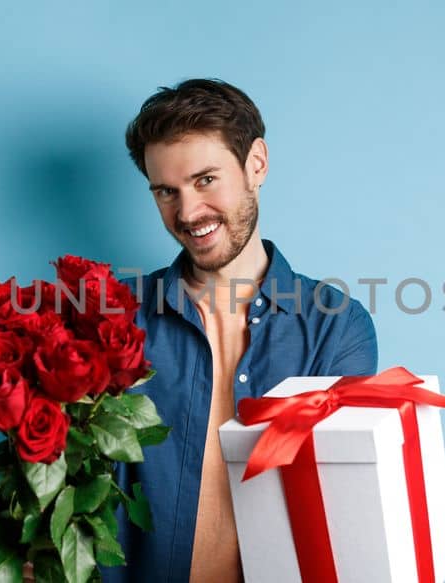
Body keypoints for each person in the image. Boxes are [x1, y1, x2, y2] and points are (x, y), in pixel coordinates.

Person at [102, 78, 378, 583]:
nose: (187, 213)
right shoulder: (114, 316)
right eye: (167, 191)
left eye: (206, 180)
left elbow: (346, 509)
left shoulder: (335, 327)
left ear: (257, 164)